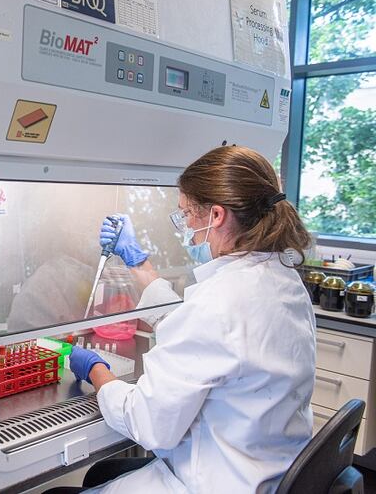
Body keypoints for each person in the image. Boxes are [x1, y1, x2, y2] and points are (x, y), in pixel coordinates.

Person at [59, 146, 316, 493]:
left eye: (185, 215)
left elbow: (146, 422)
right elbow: (202, 329)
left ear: (217, 215)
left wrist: (96, 370)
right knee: (103, 474)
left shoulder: (221, 302)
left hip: (214, 480)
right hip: (264, 469)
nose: (186, 229)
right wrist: (138, 263)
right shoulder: (282, 279)